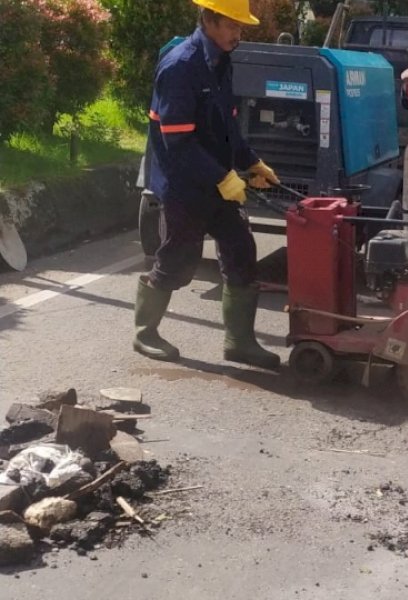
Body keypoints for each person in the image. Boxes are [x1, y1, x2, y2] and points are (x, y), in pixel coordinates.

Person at [133, 0, 281, 370]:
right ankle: (145, 333)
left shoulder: (221, 61)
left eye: (239, 26)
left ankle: (240, 343)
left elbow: (227, 126)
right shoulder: (181, 66)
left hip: (218, 179)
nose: (237, 33)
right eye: (231, 25)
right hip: (183, 184)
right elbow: (177, 141)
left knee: (242, 251)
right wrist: (223, 177)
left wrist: (250, 161)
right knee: (178, 258)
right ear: (209, 20)